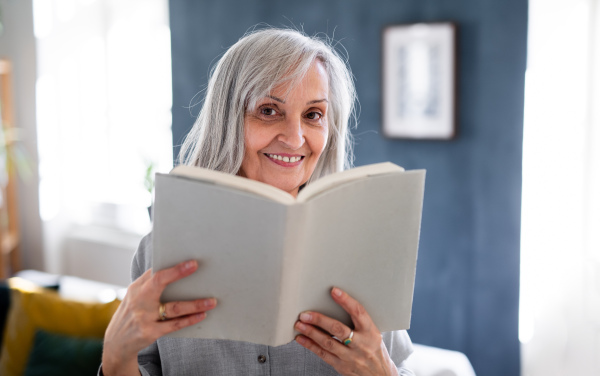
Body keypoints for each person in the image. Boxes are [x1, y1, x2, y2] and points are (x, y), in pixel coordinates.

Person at [101, 27, 415, 376]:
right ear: (228, 120)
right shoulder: (161, 251)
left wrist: (383, 372)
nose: (295, 139)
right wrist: (115, 358)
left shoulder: (364, 245)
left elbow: (400, 366)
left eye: (313, 115)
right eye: (268, 110)